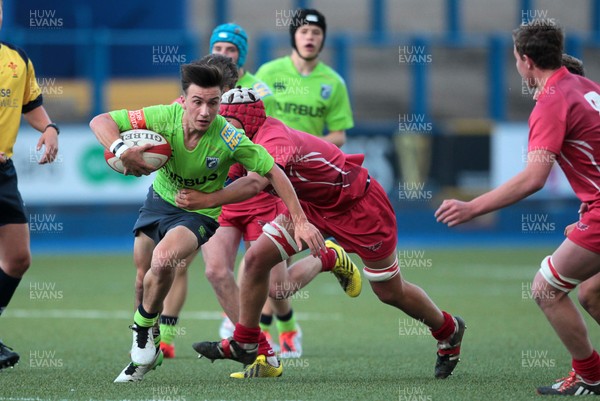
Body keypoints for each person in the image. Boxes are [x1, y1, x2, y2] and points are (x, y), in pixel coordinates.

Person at [192, 87, 465, 380]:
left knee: (389, 292)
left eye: (226, 121)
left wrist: (205, 200)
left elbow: (256, 183)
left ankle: (449, 331)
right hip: (311, 206)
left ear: (246, 120)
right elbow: (221, 176)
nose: (219, 126)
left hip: (359, 207)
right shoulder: (239, 141)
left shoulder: (273, 138)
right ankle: (246, 342)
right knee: (258, 259)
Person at [89, 62, 324, 382]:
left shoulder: (228, 137)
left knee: (164, 260)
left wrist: (300, 220)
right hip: (159, 199)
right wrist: (120, 148)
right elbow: (100, 120)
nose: (204, 111)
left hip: (199, 213)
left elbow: (273, 173)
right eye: (197, 102)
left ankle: (143, 333)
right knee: (142, 279)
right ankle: (150, 344)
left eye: (213, 103)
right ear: (183, 100)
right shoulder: (162, 117)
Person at [435, 19, 600, 395]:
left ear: (526, 61)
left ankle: (591, 375)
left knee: (546, 288)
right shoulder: (588, 88)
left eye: (515, 59)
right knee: (591, 292)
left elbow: (533, 178)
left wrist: (472, 207)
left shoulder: (552, 101)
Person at [159, 25, 306, 359]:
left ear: (241, 58)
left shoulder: (259, 93)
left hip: (259, 193)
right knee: (211, 270)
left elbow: (271, 146)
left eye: (231, 50)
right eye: (218, 48)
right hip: (220, 197)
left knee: (275, 284)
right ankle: (251, 344)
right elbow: (174, 134)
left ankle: (293, 313)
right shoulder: (193, 100)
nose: (224, 55)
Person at [0, 0, 60, 369]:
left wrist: (50, 128)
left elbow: (31, 105)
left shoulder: (16, 60)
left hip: (3, 173)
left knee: (18, 258)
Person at [255, 8, 353, 147]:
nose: (310, 37)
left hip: (309, 161)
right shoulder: (268, 72)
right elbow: (250, 118)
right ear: (293, 36)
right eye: (304, 31)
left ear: (322, 39)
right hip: (271, 158)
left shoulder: (334, 82)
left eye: (316, 32)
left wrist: (305, 144)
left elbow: (339, 136)